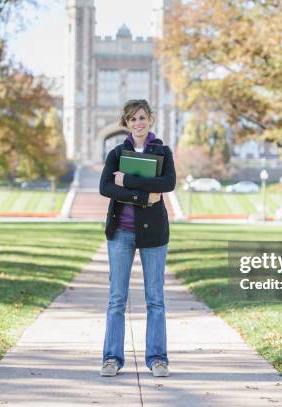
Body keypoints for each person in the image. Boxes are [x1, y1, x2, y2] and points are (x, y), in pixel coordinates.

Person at [98, 99, 176, 377]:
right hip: (121, 232)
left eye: (142, 117)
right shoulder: (116, 153)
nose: (138, 123)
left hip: (154, 233)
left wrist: (127, 180)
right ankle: (111, 359)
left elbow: (167, 184)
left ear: (150, 119)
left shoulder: (163, 152)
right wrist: (143, 196)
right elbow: (105, 187)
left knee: (155, 299)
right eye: (132, 119)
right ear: (126, 123)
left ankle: (158, 359)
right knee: (117, 298)